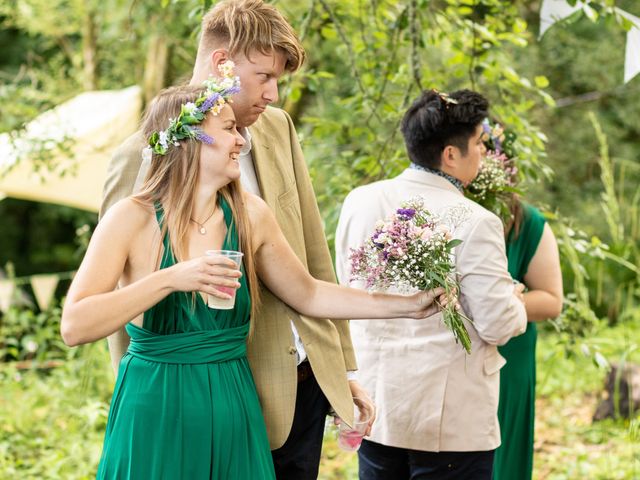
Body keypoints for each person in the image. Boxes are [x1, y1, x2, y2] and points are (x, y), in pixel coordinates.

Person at [61, 81, 445, 478]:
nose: (241, 142)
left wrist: (408, 306)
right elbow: (75, 325)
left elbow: (309, 295)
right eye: (229, 128)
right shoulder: (131, 218)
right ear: (190, 138)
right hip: (157, 409)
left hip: (233, 405)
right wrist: (171, 279)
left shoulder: (249, 214)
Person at [100, 1, 372, 477]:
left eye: (278, 79)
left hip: (306, 384)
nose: (273, 92)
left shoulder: (277, 129)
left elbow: (312, 253)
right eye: (264, 76)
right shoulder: (140, 155)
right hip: (220, 396)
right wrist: (148, 404)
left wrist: (342, 368)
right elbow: (120, 296)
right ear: (222, 62)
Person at [335, 89, 528, 480]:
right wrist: (513, 298)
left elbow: (346, 289)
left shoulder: (360, 201)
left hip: (377, 406)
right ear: (451, 155)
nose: (483, 154)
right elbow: (499, 324)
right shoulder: (476, 221)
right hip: (449, 423)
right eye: (478, 144)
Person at [493, 199, 563, 480]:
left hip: (509, 356)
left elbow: (551, 301)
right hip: (447, 354)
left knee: (501, 450)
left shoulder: (527, 222)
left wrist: (497, 305)